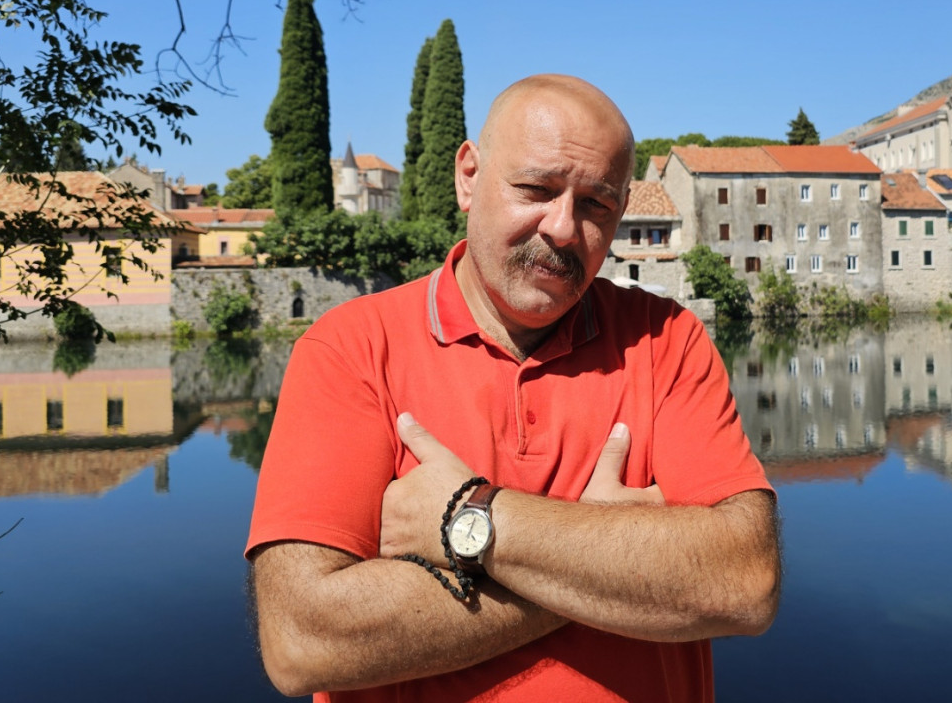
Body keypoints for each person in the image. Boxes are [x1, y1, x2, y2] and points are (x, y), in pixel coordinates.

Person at [246, 74, 780, 702]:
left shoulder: (666, 341)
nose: (562, 227)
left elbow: (745, 581)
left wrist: (471, 521)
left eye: (596, 205)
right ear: (468, 176)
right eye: (535, 189)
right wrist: (616, 557)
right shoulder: (351, 350)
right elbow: (304, 640)